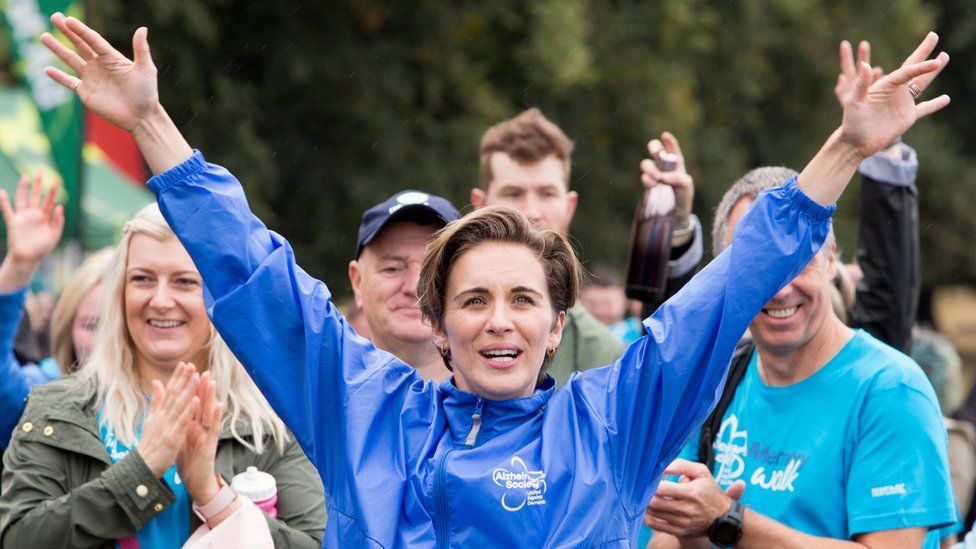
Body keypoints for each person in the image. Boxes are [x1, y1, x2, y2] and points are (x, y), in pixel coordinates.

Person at [41, 14, 949, 546]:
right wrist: (152, 124)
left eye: (523, 299)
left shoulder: (614, 417)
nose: (499, 320)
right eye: (473, 299)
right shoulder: (363, 404)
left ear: (559, 325)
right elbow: (254, 270)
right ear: (436, 321)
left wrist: (845, 149)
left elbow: (731, 286)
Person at [643, 37, 955, 549]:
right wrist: (694, 525)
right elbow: (672, 537)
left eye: (798, 262)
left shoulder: (890, 389)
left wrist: (729, 520)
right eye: (758, 269)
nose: (780, 286)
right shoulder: (719, 381)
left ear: (833, 259)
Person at [0, 204, 327, 547]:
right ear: (120, 293)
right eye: (142, 279)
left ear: (218, 294)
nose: (160, 300)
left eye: (184, 281)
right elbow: (19, 539)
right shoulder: (58, 408)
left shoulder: (269, 422)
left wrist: (212, 495)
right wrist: (140, 471)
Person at [471, 110, 704, 384]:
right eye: (514, 193)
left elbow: (669, 372)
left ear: (569, 206)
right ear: (481, 204)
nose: (532, 211)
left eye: (547, 193)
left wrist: (673, 223)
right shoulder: (446, 330)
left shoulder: (605, 356)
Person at [348, 190, 460, 381]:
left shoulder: (511, 400)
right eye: (393, 269)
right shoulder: (319, 399)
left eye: (434, 270)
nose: (416, 288)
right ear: (358, 283)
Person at [580, 267, 643, 344]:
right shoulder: (570, 334)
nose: (600, 311)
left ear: (624, 301)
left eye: (607, 303)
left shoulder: (641, 331)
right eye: (593, 304)